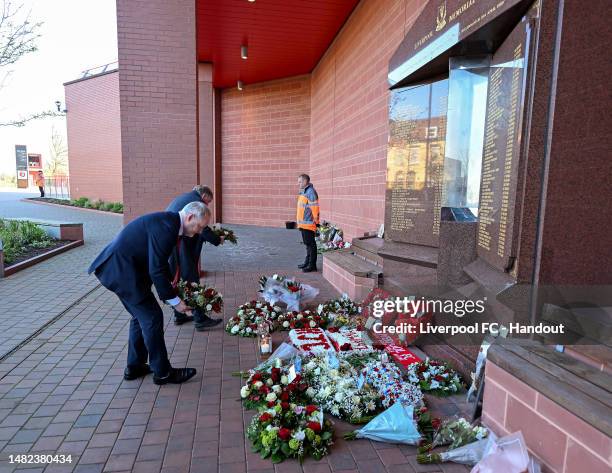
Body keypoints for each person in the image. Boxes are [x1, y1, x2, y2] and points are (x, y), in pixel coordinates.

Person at [88, 202, 211, 385]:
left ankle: (135, 366)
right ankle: (163, 373)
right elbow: (157, 269)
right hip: (122, 272)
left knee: (141, 317)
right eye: (199, 226)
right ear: (190, 217)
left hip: (121, 270)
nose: (199, 231)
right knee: (152, 318)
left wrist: (175, 288)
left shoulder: (168, 224)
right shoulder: (167, 227)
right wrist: (175, 301)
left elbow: (159, 262)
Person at [166, 185, 224, 329]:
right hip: (181, 246)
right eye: (208, 201)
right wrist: (217, 240)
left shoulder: (185, 197)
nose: (207, 205)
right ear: (204, 196)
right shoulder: (196, 204)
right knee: (191, 280)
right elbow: (203, 228)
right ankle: (200, 319)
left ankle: (180, 315)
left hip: (173, 244)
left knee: (180, 280)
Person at [296, 174, 320, 272]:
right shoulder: (304, 192)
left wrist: (317, 223)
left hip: (309, 224)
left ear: (306, 181)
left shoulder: (311, 192)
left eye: (300, 181)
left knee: (311, 245)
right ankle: (307, 262)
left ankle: (312, 265)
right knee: (307, 245)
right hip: (303, 224)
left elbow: (315, 209)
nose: (298, 183)